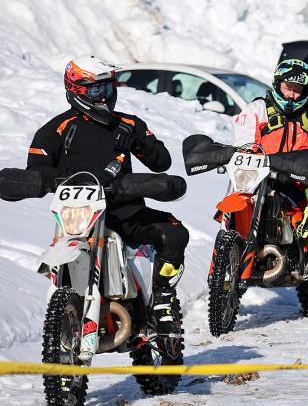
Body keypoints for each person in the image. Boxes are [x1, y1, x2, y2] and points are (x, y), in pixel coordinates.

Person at [27, 55, 189, 336]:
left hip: (125, 212)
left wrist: (138, 143)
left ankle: (162, 302)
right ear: (76, 90)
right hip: (76, 217)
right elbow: (35, 171)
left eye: (108, 89)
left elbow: (162, 162)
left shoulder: (128, 123)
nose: (104, 97)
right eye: (96, 90)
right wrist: (43, 182)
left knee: (174, 232)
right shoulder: (56, 129)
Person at [232, 58, 308, 291]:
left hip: (298, 182)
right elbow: (244, 143)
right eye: (288, 88)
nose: (291, 95)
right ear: (278, 85)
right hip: (258, 179)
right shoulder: (256, 109)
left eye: (298, 90)